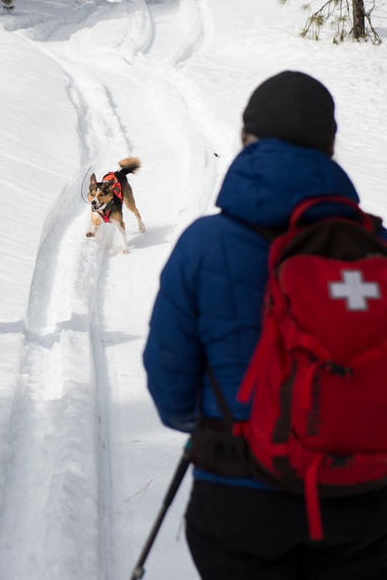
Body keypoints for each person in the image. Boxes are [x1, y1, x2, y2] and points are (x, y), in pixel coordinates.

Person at [143, 70, 387, 579]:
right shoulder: (375, 248)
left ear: (245, 139)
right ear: (331, 147)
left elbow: (170, 381)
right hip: (359, 501)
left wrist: (213, 427)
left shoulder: (204, 244)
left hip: (238, 498)